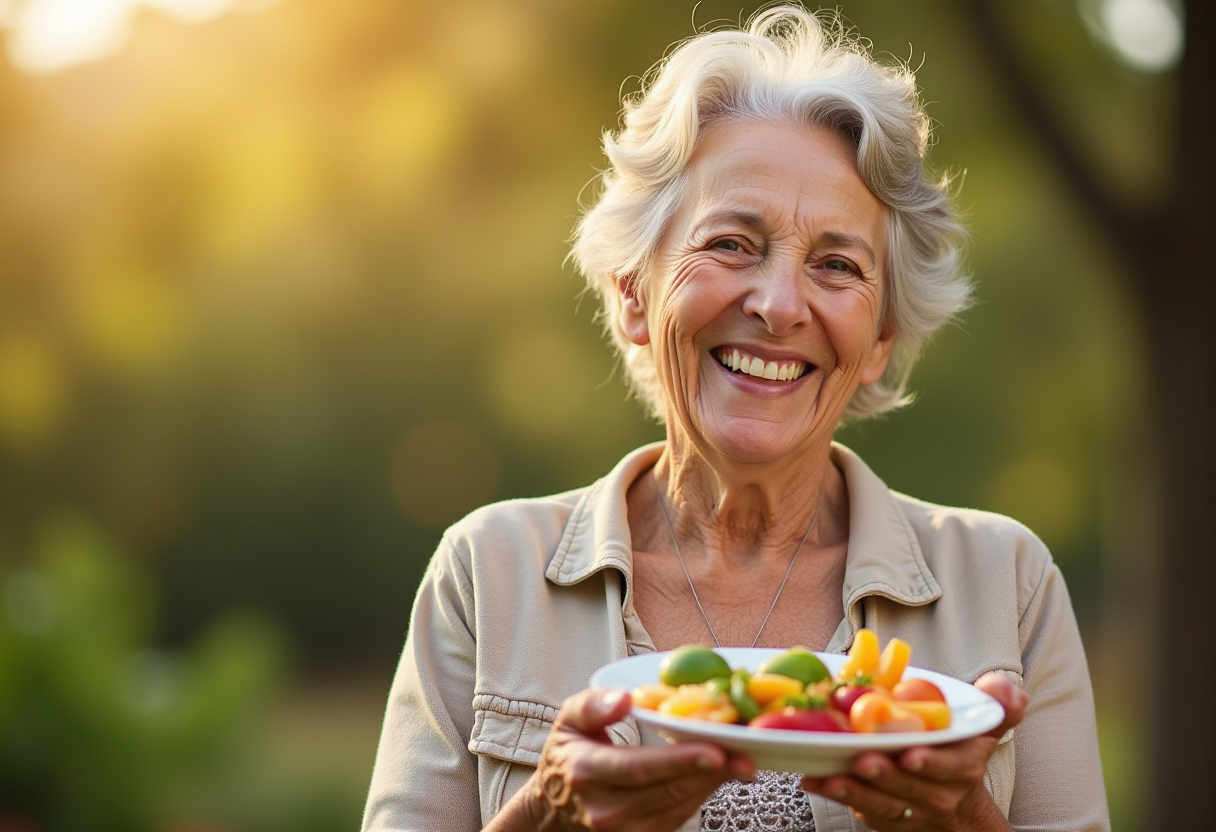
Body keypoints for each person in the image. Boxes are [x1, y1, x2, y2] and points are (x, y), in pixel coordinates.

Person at [361, 6, 1109, 831]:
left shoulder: (1008, 583)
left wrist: (961, 816)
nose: (781, 306)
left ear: (881, 337)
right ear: (634, 292)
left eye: (836, 265)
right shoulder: (485, 572)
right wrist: (546, 813)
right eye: (731, 244)